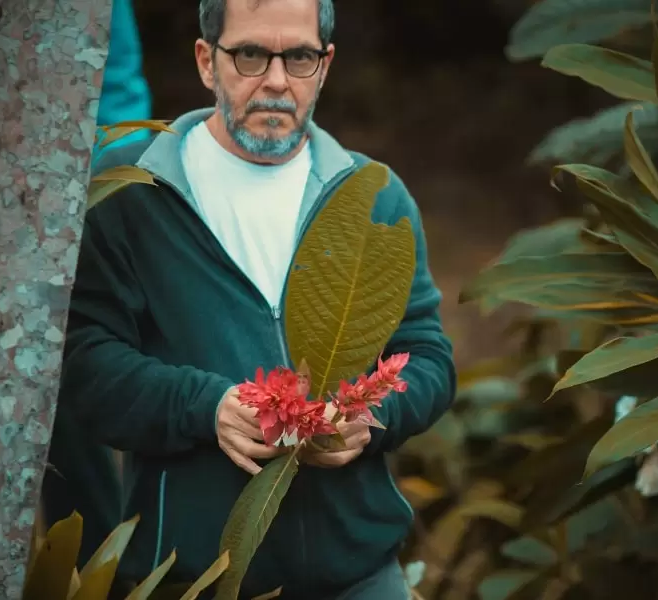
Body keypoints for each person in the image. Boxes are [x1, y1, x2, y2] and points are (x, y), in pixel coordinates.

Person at [53, 0, 456, 598]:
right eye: (249, 54)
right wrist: (204, 406)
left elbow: (428, 357)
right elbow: (83, 366)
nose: (274, 80)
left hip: (360, 575)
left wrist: (372, 419)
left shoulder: (373, 196)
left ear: (325, 65)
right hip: (193, 579)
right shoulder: (129, 193)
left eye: (298, 57)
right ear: (206, 61)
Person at [42, 0, 152, 567]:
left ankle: (96, 570)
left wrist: (91, 207)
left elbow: (118, 94)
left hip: (55, 224)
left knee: (63, 395)